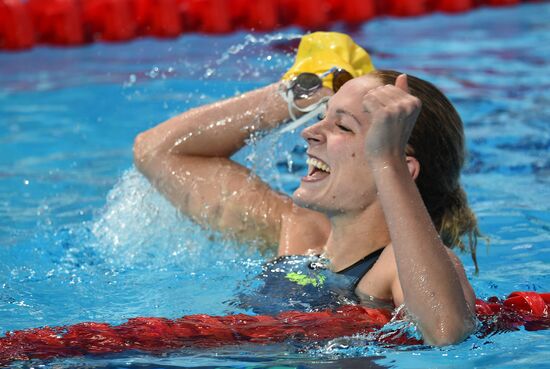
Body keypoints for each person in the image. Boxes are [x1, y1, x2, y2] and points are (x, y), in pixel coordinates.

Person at [133, 32, 480, 345]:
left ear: (402, 167)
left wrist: (387, 162)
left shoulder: (391, 268)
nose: (309, 132)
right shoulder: (298, 231)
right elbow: (158, 153)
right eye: (321, 116)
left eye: (342, 126)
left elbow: (446, 332)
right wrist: (298, 93)